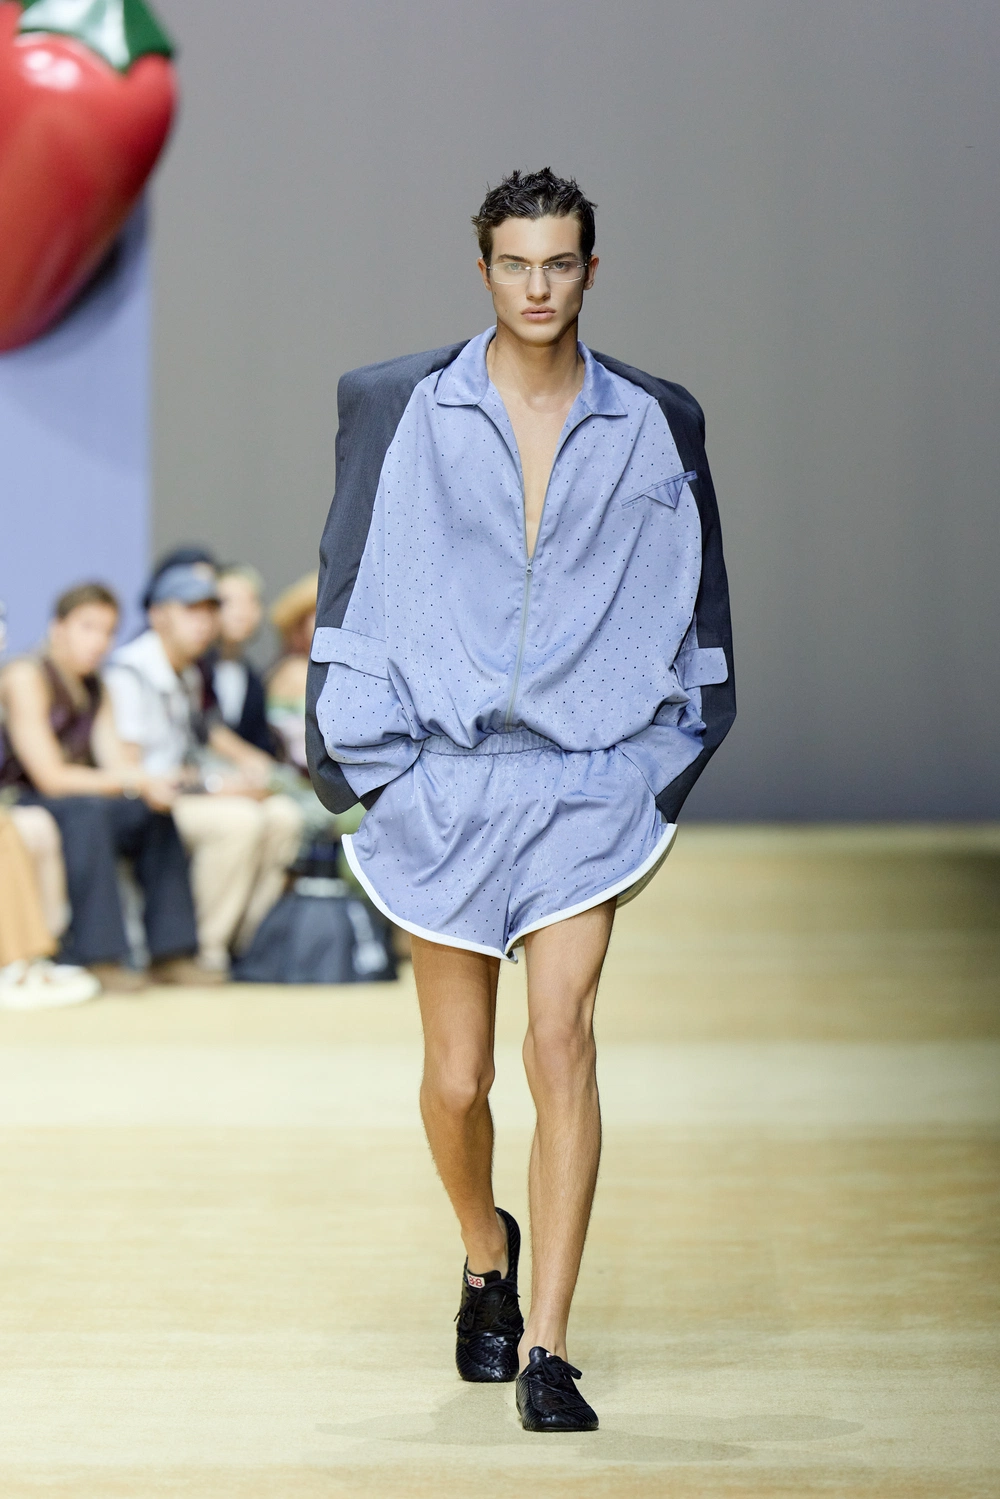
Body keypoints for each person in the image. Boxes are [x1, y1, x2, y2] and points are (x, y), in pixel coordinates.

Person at [306, 169, 735, 1431]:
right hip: (438, 780)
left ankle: (548, 1344)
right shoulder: (400, 406)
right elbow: (349, 579)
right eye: (515, 263)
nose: (537, 286)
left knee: (563, 1042)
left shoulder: (655, 420)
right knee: (457, 1078)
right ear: (484, 269)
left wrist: (662, 755)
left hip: (584, 784)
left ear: (590, 269)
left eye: (558, 264)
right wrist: (360, 765)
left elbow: (694, 597)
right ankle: (483, 1250)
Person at [0, 583, 204, 992]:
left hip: (77, 797)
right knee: (88, 813)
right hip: (25, 797)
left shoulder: (98, 686)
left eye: (108, 631)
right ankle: (100, 958)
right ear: (58, 628)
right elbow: (50, 777)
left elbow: (116, 764)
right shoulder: (27, 674)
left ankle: (173, 952)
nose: (99, 642)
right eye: (88, 627)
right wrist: (135, 780)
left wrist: (150, 786)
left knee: (149, 812)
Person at [105, 564, 303, 975]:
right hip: (142, 802)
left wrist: (242, 776)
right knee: (238, 822)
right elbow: (131, 772)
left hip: (181, 791)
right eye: (190, 610)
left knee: (283, 816)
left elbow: (195, 751)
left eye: (210, 611)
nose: (203, 622)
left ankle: (243, 943)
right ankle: (200, 949)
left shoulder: (191, 673)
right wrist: (217, 786)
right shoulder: (130, 670)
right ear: (159, 615)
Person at [208, 565, 278, 755]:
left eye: (251, 601)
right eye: (229, 602)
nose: (242, 612)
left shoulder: (253, 680)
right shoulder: (195, 670)